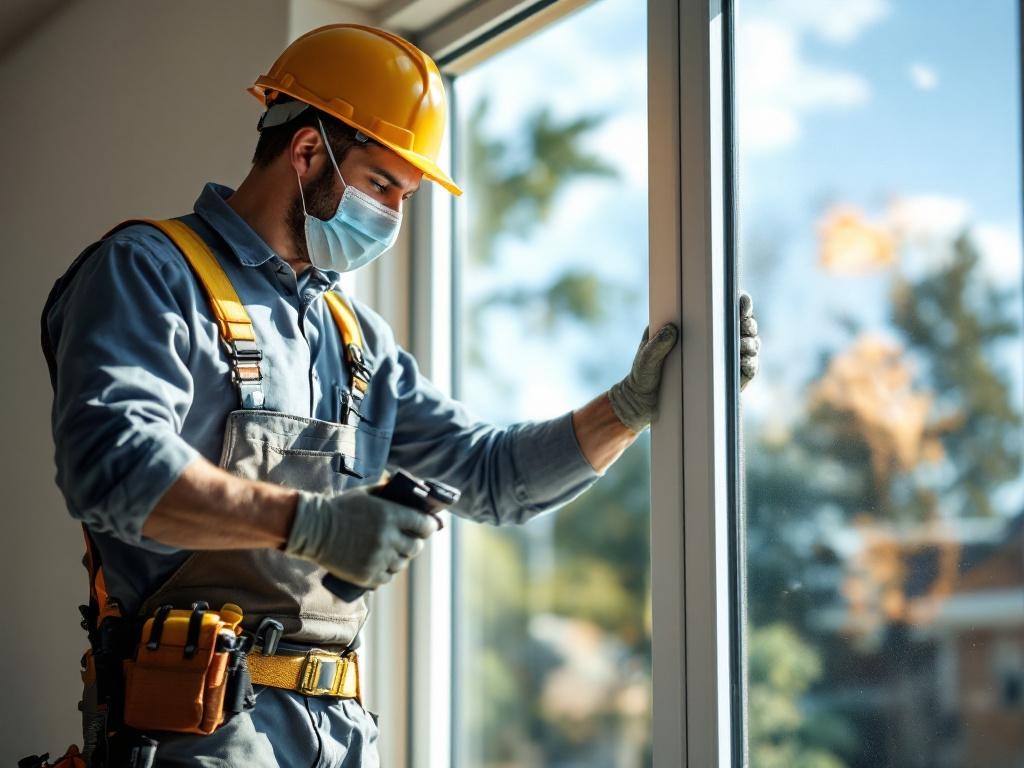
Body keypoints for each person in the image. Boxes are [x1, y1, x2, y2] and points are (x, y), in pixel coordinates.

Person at [40, 23, 759, 768]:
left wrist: (631, 408)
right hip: (197, 734)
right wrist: (308, 523)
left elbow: (489, 475)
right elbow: (109, 466)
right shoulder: (149, 272)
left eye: (406, 195)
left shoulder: (355, 339)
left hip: (340, 737)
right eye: (383, 184)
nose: (391, 216)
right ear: (308, 150)